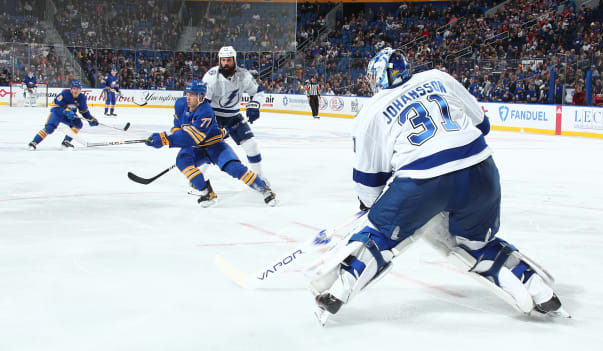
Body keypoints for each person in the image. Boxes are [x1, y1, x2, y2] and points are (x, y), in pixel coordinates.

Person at [307, 48, 568, 324]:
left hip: (423, 181)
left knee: (379, 233)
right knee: (476, 245)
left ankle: (338, 292)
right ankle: (539, 290)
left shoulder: (371, 111)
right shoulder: (437, 77)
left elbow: (369, 185)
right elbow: (483, 124)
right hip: (482, 171)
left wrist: (372, 207)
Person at [144, 81, 276, 207]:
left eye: (192, 95)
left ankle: (264, 190)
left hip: (215, 147)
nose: (188, 98)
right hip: (197, 149)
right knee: (182, 161)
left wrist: (166, 139)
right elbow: (178, 126)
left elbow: (192, 138)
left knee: (235, 168)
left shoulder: (205, 111)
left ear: (201, 97)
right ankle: (207, 193)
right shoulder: (180, 104)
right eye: (187, 94)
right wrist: (170, 136)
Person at [201, 46, 270, 182]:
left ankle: (259, 176)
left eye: (229, 60)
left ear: (234, 60)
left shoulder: (244, 75)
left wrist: (254, 105)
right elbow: (204, 103)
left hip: (233, 116)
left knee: (252, 145)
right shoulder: (211, 77)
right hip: (214, 116)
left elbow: (258, 92)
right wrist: (208, 123)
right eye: (223, 60)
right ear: (220, 61)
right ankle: (198, 177)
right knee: (208, 148)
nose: (226, 64)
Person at [28, 80, 99, 150]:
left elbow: (84, 112)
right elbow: (56, 107)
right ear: (71, 89)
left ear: (80, 90)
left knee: (78, 124)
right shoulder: (64, 94)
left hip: (70, 116)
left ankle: (66, 141)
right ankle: (34, 142)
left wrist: (91, 118)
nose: (75, 91)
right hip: (58, 113)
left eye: (78, 89)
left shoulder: (82, 98)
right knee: (49, 128)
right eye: (74, 88)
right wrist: (66, 111)